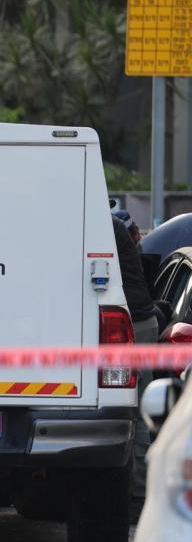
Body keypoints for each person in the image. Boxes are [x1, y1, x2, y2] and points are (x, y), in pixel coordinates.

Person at [112, 212, 158, 512]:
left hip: (135, 324)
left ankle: (138, 496)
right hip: (136, 322)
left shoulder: (105, 226)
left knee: (137, 411)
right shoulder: (113, 226)